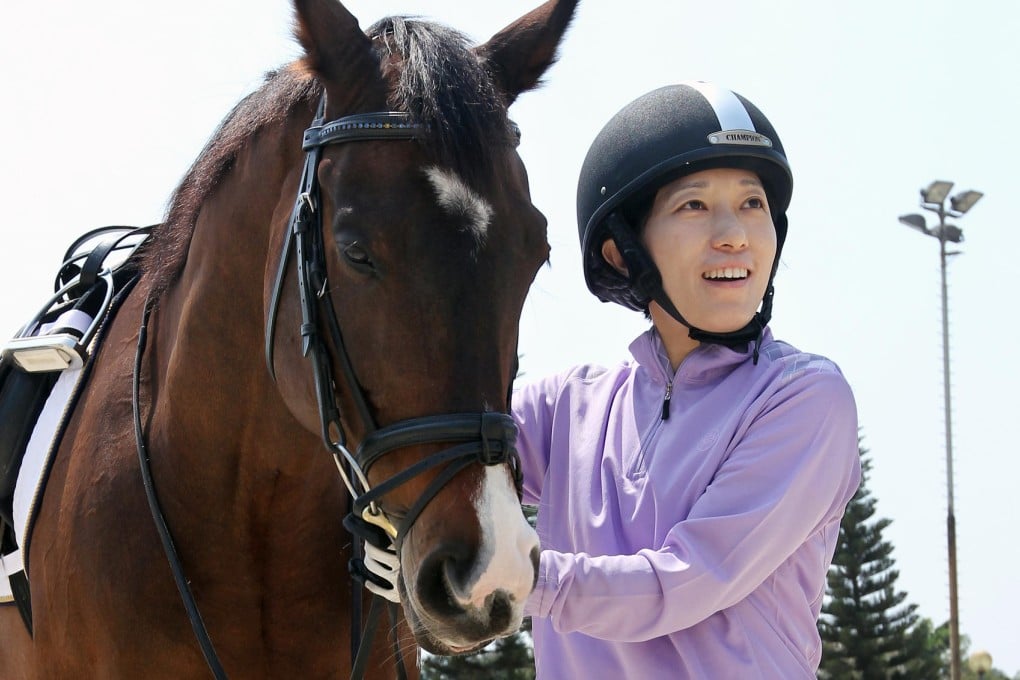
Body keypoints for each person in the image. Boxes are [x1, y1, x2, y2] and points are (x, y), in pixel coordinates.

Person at [511, 81, 861, 678]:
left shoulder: (805, 398)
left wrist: (514, 582)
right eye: (694, 205)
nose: (736, 234)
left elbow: (684, 582)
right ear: (624, 251)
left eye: (753, 204)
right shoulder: (564, 408)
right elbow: (429, 451)